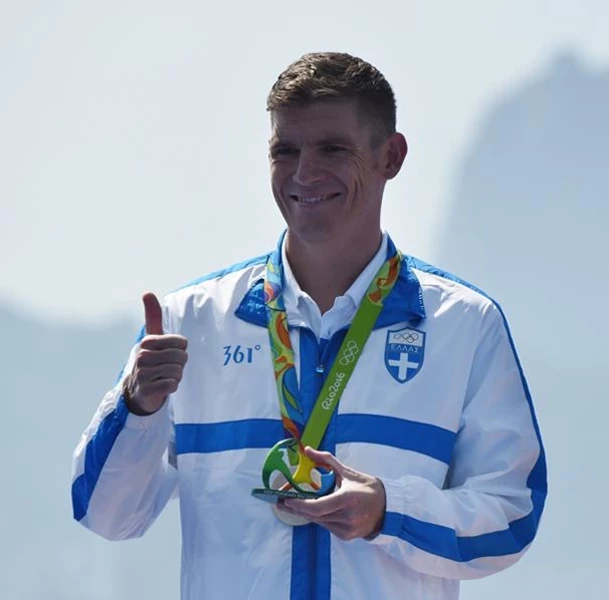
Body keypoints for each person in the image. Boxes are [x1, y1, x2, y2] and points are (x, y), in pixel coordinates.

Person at [71, 52, 547, 600]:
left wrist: (389, 511)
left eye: (332, 149)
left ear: (391, 156)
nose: (304, 174)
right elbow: (107, 515)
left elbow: (512, 514)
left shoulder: (463, 325)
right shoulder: (191, 322)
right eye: (286, 151)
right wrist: (137, 408)